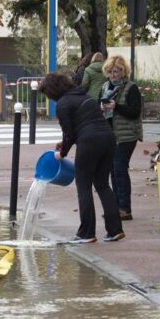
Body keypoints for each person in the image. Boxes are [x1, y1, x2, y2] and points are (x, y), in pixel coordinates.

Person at [40, 73, 125, 244]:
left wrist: (61, 153)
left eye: (48, 95)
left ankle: (87, 233)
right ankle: (115, 230)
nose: (50, 98)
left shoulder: (63, 103)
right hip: (108, 139)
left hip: (89, 142)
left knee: (83, 186)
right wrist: (63, 143)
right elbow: (82, 125)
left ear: (52, 91)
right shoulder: (83, 95)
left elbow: (69, 133)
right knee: (102, 184)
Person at [100, 55, 142, 221]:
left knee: (119, 168)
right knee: (112, 170)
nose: (113, 75)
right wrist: (102, 107)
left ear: (124, 71)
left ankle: (125, 208)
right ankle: (116, 207)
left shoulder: (131, 88)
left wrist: (116, 106)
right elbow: (98, 105)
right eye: (110, 71)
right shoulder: (105, 86)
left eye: (117, 71)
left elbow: (134, 112)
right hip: (110, 134)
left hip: (127, 135)